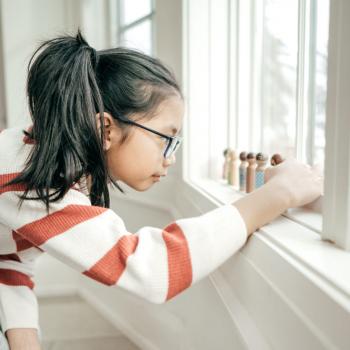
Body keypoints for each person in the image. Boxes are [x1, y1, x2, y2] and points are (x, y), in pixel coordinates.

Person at [0, 31, 322, 350]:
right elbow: (154, 268)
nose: (171, 158)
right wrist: (279, 193)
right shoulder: (36, 180)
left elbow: (10, 258)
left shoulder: (44, 157)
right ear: (105, 129)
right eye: (166, 139)